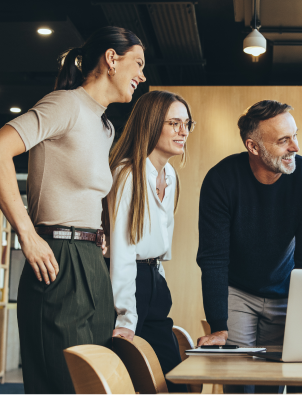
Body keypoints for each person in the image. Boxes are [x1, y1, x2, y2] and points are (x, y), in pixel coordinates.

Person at [0, 27, 145, 395]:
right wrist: (27, 234)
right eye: (138, 64)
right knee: (63, 383)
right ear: (111, 59)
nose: (142, 76)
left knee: (95, 384)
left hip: (91, 263)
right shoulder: (65, 104)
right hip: (58, 259)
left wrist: (96, 236)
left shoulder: (105, 126)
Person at [196, 100, 302, 392]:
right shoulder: (221, 180)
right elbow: (214, 258)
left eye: (295, 135)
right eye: (283, 140)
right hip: (238, 292)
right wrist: (219, 326)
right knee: (240, 381)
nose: (295, 146)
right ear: (253, 147)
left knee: (274, 382)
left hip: (287, 290)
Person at [105, 90, 192, 392]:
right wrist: (126, 316)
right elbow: (122, 251)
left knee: (171, 381)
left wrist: (160, 282)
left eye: (187, 124)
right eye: (174, 123)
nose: (184, 131)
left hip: (154, 281)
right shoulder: (127, 173)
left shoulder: (169, 175)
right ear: (152, 124)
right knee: (130, 381)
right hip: (130, 285)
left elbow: (159, 246)